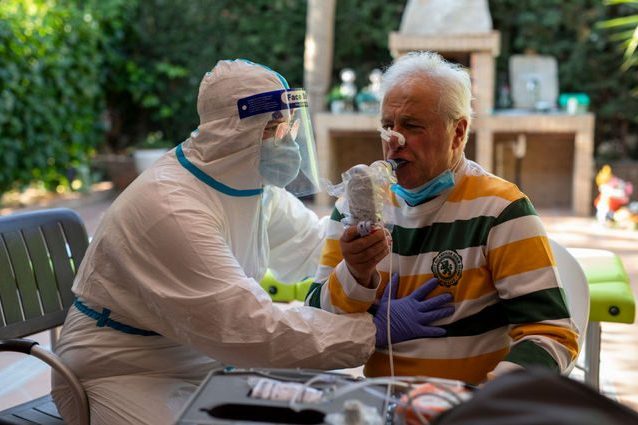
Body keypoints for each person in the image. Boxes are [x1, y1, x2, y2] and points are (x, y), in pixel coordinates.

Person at [51, 59, 453, 425]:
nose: (287, 142)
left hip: (205, 357)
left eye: (289, 127)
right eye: (274, 129)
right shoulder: (171, 207)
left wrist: (376, 252)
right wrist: (370, 331)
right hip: (123, 369)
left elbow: (315, 248)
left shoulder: (249, 186)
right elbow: (249, 328)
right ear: (234, 132)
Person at [306, 51, 579, 385]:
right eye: (387, 126)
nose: (394, 141)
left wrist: (487, 396)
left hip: (468, 404)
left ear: (458, 132)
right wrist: (355, 275)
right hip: (379, 400)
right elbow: (315, 321)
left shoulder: (501, 210)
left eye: (412, 126)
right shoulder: (354, 209)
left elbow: (553, 335)